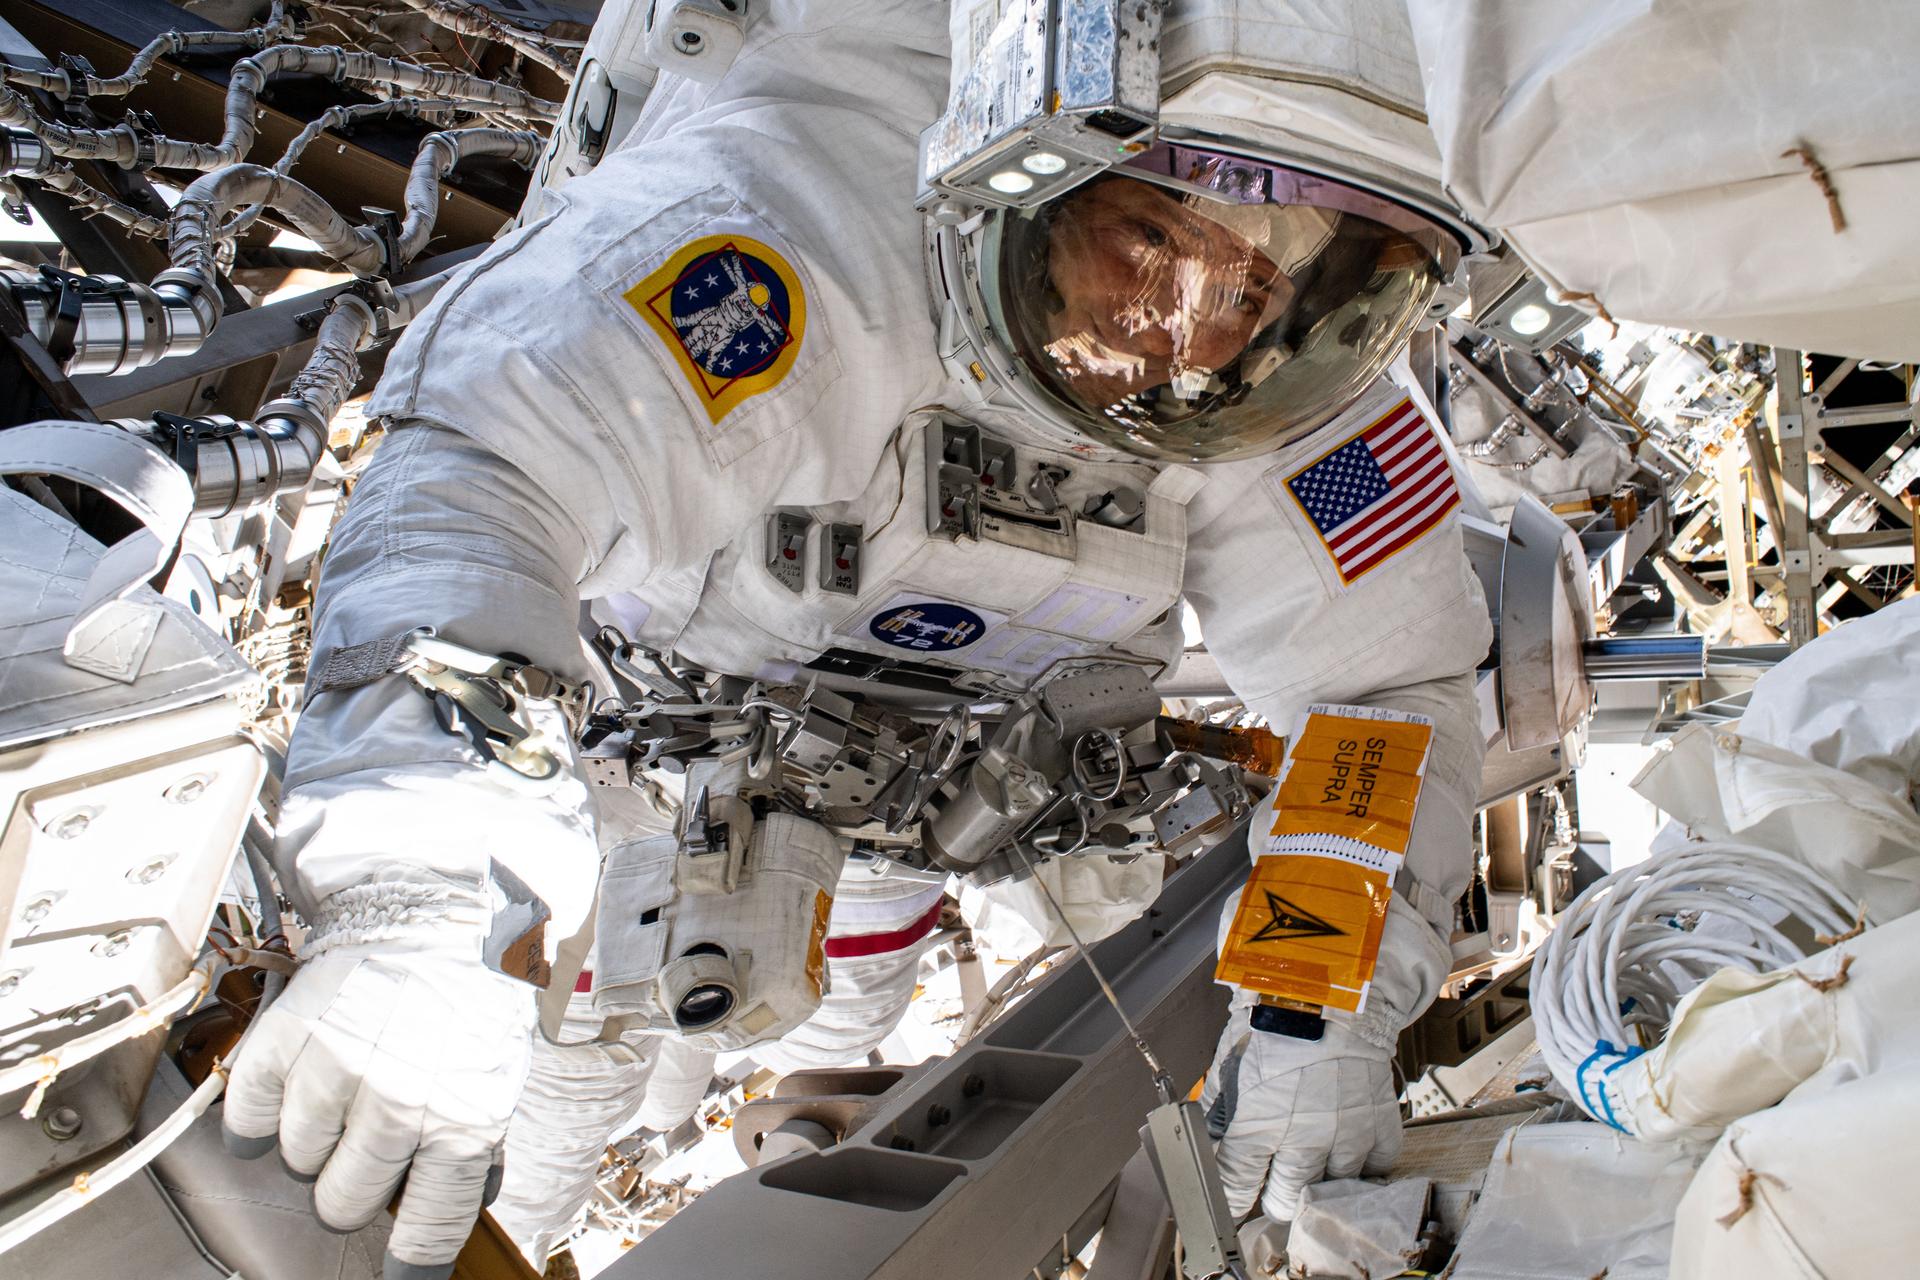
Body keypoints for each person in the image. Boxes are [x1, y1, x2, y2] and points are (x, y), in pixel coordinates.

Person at [218, 4, 1495, 1276]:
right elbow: (485, 475)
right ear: (1028, 156)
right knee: (567, 1053)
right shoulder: (780, 238)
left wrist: (1319, 1009)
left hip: (933, 809)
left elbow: (1384, 688)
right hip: (646, 792)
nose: (1168, 325)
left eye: (1244, 286)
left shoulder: (1298, 417)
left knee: (824, 1008)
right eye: (1148, 237)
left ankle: (677, 1143)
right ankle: (551, 1209)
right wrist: (429, 883)